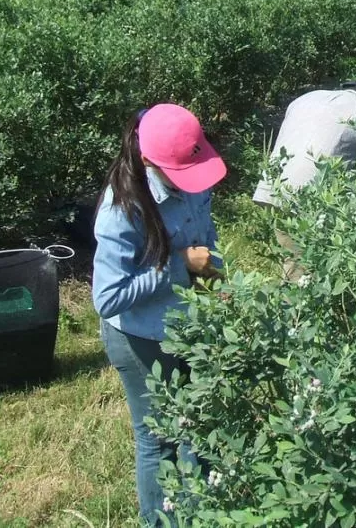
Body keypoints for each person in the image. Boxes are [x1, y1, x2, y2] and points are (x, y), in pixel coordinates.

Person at [93, 104, 227, 526]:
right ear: (149, 161)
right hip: (141, 338)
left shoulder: (191, 170)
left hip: (188, 325)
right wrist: (178, 266)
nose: (191, 183)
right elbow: (108, 297)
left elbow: (204, 233)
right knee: (158, 440)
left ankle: (198, 514)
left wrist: (215, 280)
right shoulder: (123, 209)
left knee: (200, 425)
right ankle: (162, 521)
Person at [253, 81, 356, 281]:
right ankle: (297, 308)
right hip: (310, 198)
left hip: (273, 188)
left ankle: (290, 304)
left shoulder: (305, 98)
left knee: (292, 259)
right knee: (307, 272)